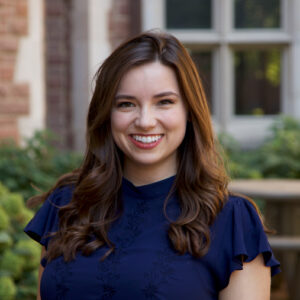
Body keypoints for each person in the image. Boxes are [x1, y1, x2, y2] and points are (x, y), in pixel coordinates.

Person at [24, 31, 280, 300]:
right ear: (106, 114)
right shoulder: (66, 205)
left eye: (164, 102)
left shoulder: (232, 220)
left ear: (189, 111)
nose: (145, 120)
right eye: (126, 104)